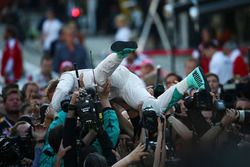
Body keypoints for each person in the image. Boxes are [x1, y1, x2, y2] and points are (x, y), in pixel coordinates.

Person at [49, 41, 209, 121]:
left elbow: (62, 90)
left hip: (112, 74)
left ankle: (119, 55)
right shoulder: (74, 106)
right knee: (152, 108)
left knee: (97, 82)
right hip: (126, 83)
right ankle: (191, 79)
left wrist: (53, 112)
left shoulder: (67, 77)